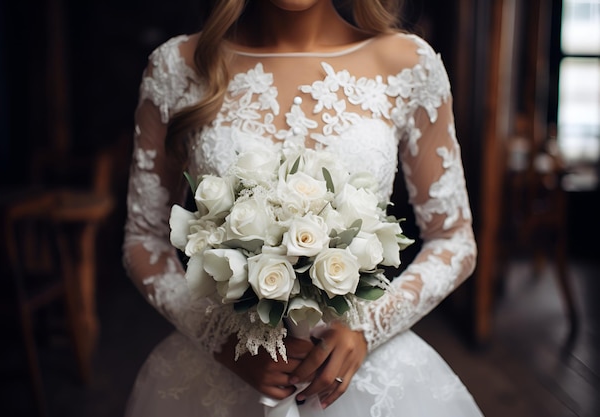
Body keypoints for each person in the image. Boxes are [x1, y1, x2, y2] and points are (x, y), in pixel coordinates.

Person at [122, 0, 483, 415]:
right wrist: (218, 338)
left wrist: (366, 327)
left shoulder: (409, 65)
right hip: (220, 374)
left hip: (363, 375)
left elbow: (453, 239)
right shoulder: (176, 67)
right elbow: (143, 239)